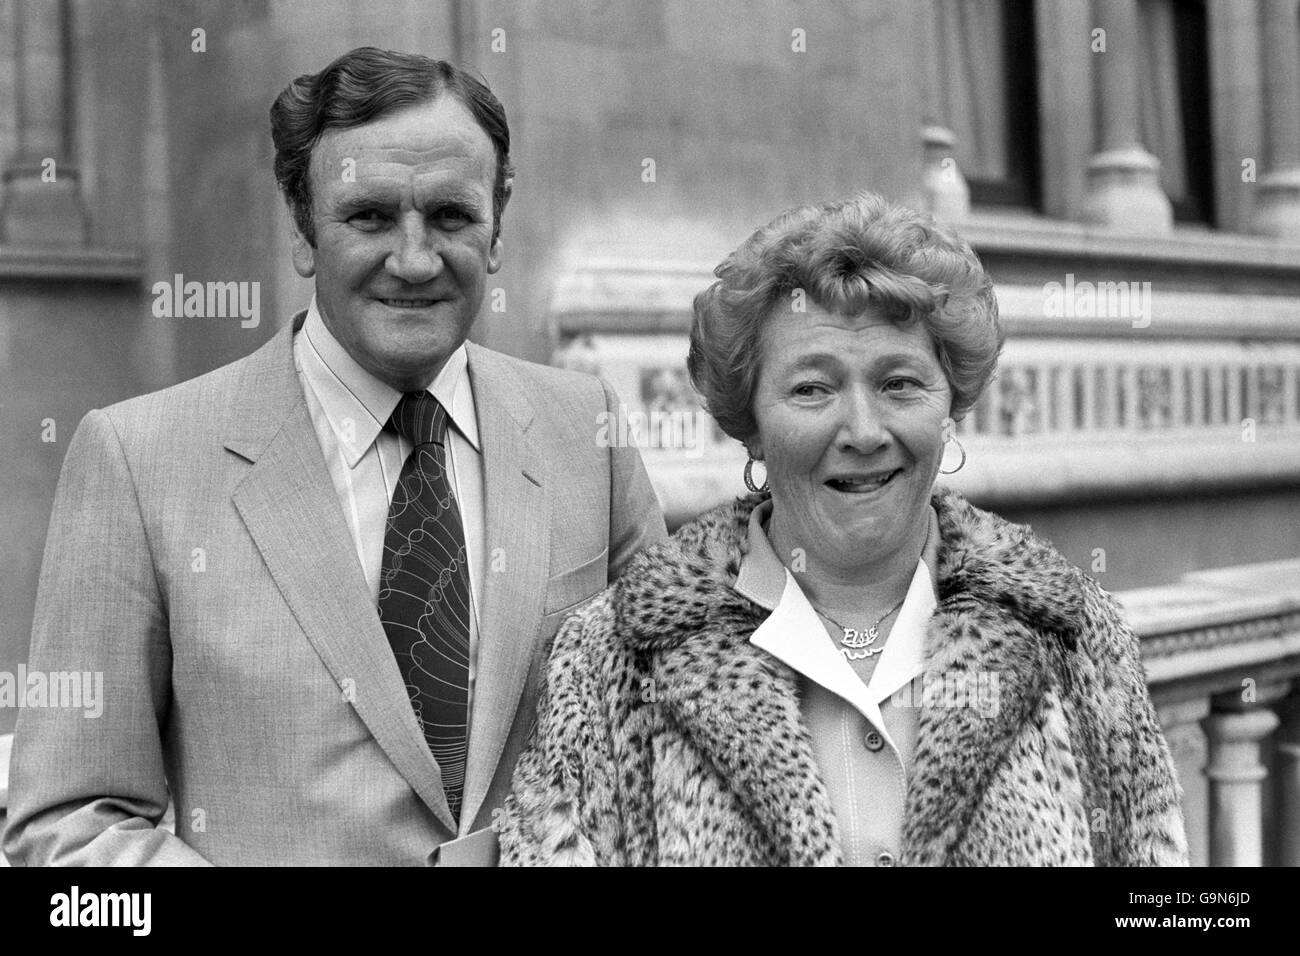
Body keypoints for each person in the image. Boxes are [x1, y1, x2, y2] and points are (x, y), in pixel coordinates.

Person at [3, 47, 666, 866]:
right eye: (370, 217)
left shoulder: (585, 432)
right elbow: (64, 831)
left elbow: (671, 741)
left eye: (451, 216)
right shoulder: (139, 462)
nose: (415, 260)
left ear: (498, 223)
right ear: (303, 224)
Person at [499, 192, 1188, 866]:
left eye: (899, 384)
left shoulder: (1073, 639)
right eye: (812, 389)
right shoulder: (611, 661)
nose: (862, 432)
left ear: (950, 406)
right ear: (753, 425)